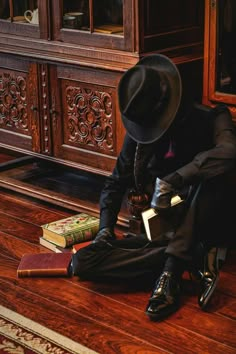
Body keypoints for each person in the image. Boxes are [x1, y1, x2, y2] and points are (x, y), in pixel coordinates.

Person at [72, 54, 236, 321]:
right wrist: (104, 229)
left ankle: (171, 273)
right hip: (162, 233)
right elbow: (115, 182)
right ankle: (189, 259)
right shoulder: (143, 131)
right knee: (82, 262)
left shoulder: (213, 117)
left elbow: (229, 152)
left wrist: (175, 179)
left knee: (212, 175)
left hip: (201, 222)